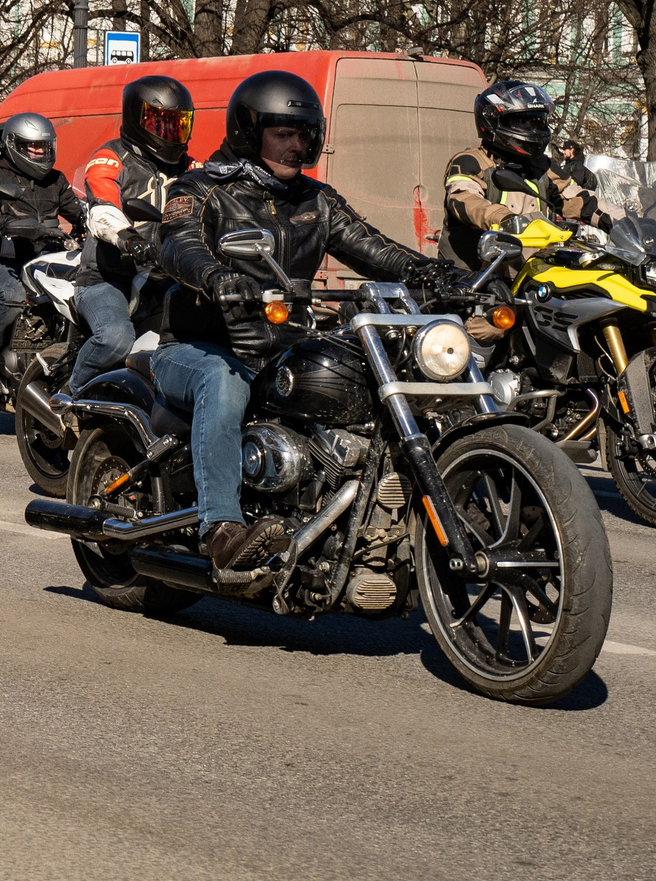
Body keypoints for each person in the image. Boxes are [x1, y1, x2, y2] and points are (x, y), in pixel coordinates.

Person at [154, 70, 443, 575]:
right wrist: (217, 276)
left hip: (283, 348)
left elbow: (374, 248)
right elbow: (178, 244)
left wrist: (433, 273)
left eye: (304, 135)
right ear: (249, 133)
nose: (296, 146)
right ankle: (221, 528)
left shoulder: (316, 200)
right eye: (284, 134)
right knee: (223, 383)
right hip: (199, 347)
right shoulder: (201, 189)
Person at [67, 76, 195, 393]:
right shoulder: (111, 157)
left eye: (178, 125)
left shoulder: (190, 169)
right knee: (115, 339)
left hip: (163, 275)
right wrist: (128, 237)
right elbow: (102, 209)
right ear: (137, 118)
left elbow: (217, 203)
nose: (171, 133)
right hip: (106, 276)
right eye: (161, 123)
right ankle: (71, 396)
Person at [0, 112, 86, 397]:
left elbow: (78, 211)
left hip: (45, 260)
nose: (39, 152)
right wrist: (2, 222)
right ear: (13, 145)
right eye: (32, 147)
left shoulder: (55, 181)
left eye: (44, 147)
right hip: (2, 262)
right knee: (13, 295)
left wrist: (96, 221)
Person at [442, 80, 602, 269]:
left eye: (537, 121)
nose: (533, 129)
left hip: (530, 273)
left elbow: (579, 199)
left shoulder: (543, 166)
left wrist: (623, 220)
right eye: (522, 122)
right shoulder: (470, 161)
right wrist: (505, 219)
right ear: (494, 120)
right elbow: (464, 200)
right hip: (474, 276)